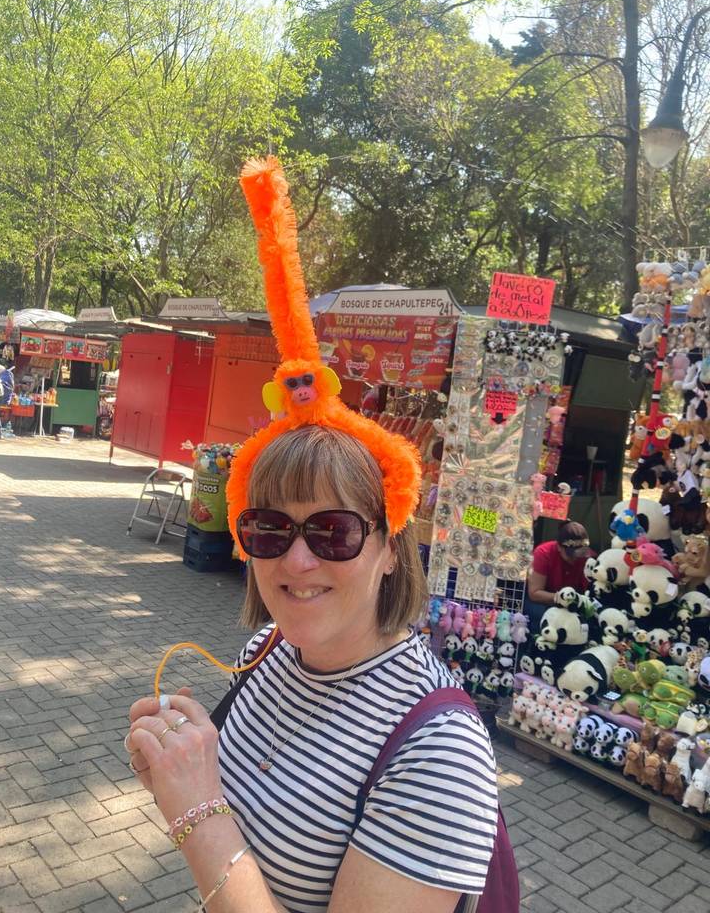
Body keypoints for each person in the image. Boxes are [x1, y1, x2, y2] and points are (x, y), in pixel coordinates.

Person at [125, 158, 500, 913]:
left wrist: (196, 813)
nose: (295, 560)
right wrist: (183, 761)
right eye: (268, 528)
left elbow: (216, 829)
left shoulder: (439, 753)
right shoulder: (266, 654)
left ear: (392, 542)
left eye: (332, 531)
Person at [525, 520, 594, 632]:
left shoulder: (587, 559)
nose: (575, 558)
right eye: (571, 555)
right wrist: (562, 598)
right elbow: (534, 593)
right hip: (543, 600)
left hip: (572, 600)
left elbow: (589, 590)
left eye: (580, 554)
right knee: (547, 617)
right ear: (559, 547)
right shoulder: (543, 553)